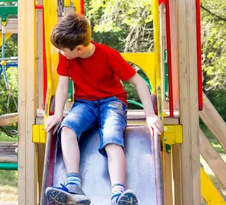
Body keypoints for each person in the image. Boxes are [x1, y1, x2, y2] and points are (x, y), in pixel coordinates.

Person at [44, 13, 163, 205]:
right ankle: (74, 186)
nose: (62, 53)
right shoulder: (66, 56)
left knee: (111, 137)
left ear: (79, 48)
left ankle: (118, 193)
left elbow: (138, 82)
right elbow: (63, 86)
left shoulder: (109, 55)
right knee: (67, 129)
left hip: (112, 102)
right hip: (84, 103)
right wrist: (58, 115)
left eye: (64, 50)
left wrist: (150, 115)